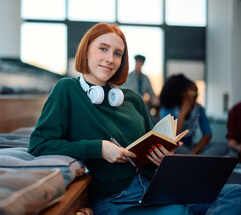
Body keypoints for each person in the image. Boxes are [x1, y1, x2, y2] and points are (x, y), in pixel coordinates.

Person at [28, 23, 240, 214]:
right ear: (85, 52)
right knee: (178, 212)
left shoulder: (132, 99)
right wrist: (99, 148)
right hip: (118, 200)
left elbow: (151, 146)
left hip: (156, 187)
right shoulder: (68, 90)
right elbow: (40, 144)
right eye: (103, 49)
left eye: (118, 53)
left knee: (236, 194)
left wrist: (163, 158)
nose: (110, 59)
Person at [159, 74, 229, 156]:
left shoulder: (199, 109)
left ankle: (194, 160)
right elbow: (173, 139)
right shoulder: (167, 110)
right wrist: (183, 113)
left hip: (193, 148)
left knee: (224, 146)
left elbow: (207, 134)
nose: (196, 97)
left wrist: (193, 153)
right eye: (194, 93)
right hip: (177, 148)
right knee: (176, 149)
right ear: (183, 94)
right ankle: (198, 161)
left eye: (197, 93)